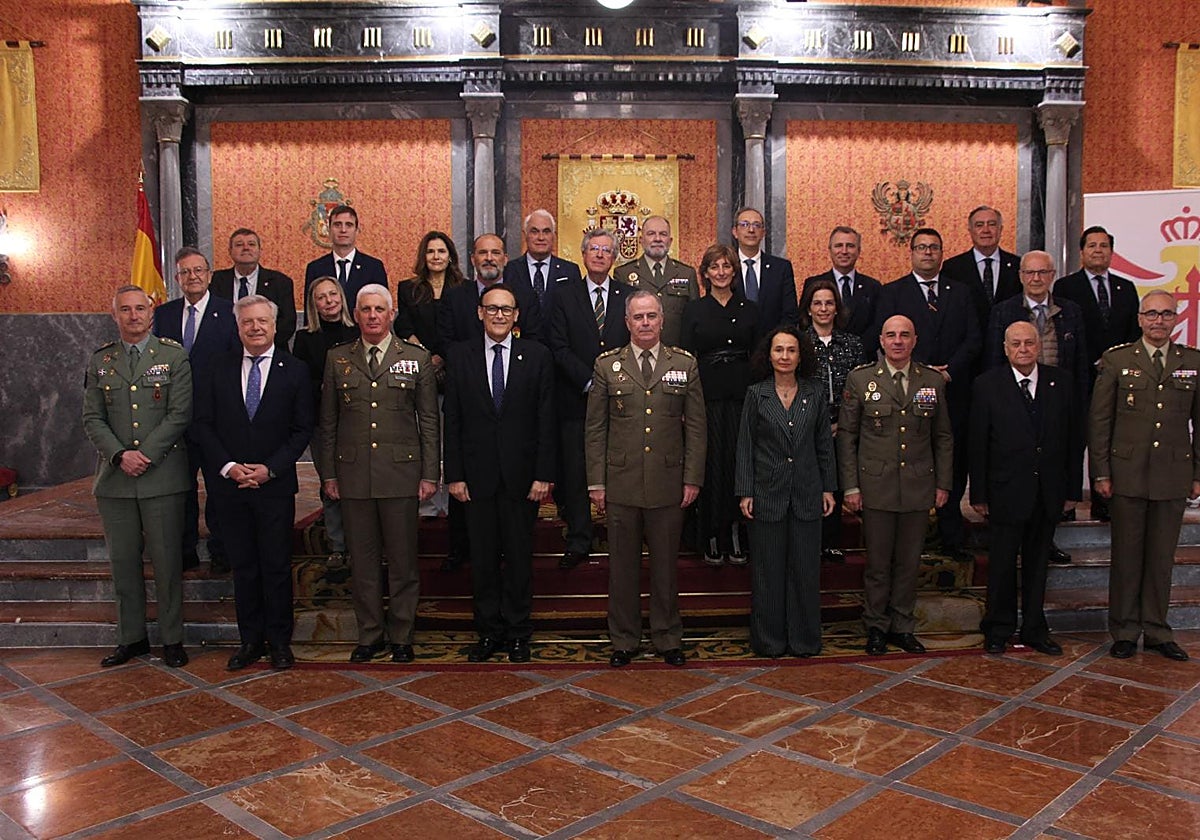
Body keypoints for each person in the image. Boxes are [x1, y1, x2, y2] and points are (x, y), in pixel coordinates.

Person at [317, 284, 440, 663]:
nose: (372, 316)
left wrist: (429, 474)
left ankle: (402, 633)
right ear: (356, 315)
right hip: (353, 475)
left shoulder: (415, 358)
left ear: (391, 315)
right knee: (364, 562)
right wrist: (328, 475)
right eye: (365, 309)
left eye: (379, 310)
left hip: (401, 474)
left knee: (403, 561)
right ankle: (370, 634)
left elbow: (430, 422)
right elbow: (328, 422)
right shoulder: (337, 358)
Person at [191, 295, 314, 670]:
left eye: (263, 321)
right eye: (248, 322)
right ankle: (250, 641)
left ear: (276, 326)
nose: (256, 327)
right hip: (230, 485)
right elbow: (202, 423)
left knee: (276, 565)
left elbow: (301, 429)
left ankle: (279, 642)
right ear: (238, 327)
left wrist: (269, 469)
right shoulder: (217, 368)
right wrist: (228, 466)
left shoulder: (295, 370)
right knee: (243, 566)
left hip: (274, 485)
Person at [586, 291, 706, 667]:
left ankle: (668, 637)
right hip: (620, 482)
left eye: (651, 316)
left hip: (669, 482)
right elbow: (595, 429)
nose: (645, 323)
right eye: (638, 317)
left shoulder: (684, 364)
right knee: (622, 567)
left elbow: (698, 428)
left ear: (662, 320)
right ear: (626, 322)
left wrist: (692, 479)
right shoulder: (607, 365)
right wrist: (596, 482)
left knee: (666, 567)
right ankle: (623, 639)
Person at [444, 284, 556, 663]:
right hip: (475, 480)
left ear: (517, 315)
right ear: (479, 313)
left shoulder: (537, 356)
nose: (499, 316)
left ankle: (520, 632)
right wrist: (454, 475)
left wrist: (544, 474)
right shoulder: (460, 356)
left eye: (506, 310)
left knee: (520, 559)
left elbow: (546, 420)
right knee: (484, 560)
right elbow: (453, 419)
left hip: (522, 479)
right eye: (492, 309)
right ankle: (489, 632)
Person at [83, 286, 192, 668]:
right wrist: (119, 455)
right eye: (125, 310)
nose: (133, 316)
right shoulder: (101, 361)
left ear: (152, 313)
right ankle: (131, 638)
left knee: (166, 563)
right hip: (115, 480)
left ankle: (173, 639)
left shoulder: (173, 356)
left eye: (140, 309)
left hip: (162, 477)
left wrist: (144, 454)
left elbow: (180, 414)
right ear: (114, 315)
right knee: (123, 564)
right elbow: (92, 417)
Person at [1090, 289, 1200, 662]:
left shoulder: (1191, 362)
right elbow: (1100, 421)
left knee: (1161, 558)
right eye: (1151, 314)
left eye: (1166, 314)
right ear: (1139, 319)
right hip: (1127, 474)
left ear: (1175, 319)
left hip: (1172, 474)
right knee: (1127, 555)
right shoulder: (1118, 360)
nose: (1158, 321)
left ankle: (1156, 629)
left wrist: (1197, 473)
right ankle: (1123, 629)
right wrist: (1101, 471)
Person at [838, 315, 953, 655]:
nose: (898, 341)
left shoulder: (932, 380)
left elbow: (943, 437)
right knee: (877, 564)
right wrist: (851, 487)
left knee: (908, 562)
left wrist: (943, 483)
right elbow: (847, 438)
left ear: (915, 340)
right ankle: (875, 626)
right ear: (882, 340)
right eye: (891, 335)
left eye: (904, 335)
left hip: (918, 486)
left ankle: (902, 625)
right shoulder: (861, 380)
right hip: (876, 487)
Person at [871, 228, 980, 563]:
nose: (928, 253)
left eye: (934, 247)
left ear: (942, 253)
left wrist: (948, 373)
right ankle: (910, 534)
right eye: (921, 247)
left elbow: (974, 338)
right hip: (906, 389)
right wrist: (921, 375)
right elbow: (887, 339)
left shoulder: (961, 292)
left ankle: (950, 534)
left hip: (953, 388)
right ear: (912, 253)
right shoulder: (893, 292)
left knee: (951, 457)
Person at [970, 321, 1078, 656]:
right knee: (1001, 565)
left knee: (1037, 565)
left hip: (1048, 491)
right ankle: (998, 628)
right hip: (1005, 491)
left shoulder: (1062, 382)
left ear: (1038, 346)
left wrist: (1071, 491)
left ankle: (1034, 628)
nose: (1023, 349)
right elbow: (978, 444)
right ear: (1005, 348)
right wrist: (980, 495)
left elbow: (1075, 441)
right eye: (1015, 343)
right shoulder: (987, 385)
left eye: (1029, 343)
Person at [736, 326, 837, 657]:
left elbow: (824, 444)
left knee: (805, 570)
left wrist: (828, 488)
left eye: (791, 350)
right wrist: (745, 491)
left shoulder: (815, 392)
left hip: (808, 493)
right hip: (767, 494)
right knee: (767, 572)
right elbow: (745, 447)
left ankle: (805, 640)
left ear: (800, 355)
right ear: (769, 355)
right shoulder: (756, 394)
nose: (784, 356)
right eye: (778, 350)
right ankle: (769, 641)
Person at [985, 249, 1089, 564]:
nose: (1036, 279)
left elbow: (1081, 364)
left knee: (1051, 473)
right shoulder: (1004, 311)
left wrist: (1080, 406)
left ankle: (1048, 539)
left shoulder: (1071, 312)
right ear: (1020, 276)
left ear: (1052, 275)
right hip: (1014, 404)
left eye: (1043, 272)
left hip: (1057, 402)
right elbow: (992, 360)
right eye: (1030, 273)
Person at [548, 228, 632, 570]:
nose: (599, 255)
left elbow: (632, 345)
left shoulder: (628, 295)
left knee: (619, 469)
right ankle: (580, 538)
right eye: (594, 249)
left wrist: (611, 385)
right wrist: (589, 381)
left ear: (614, 258)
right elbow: (558, 345)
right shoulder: (563, 294)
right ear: (583, 255)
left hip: (620, 400)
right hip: (574, 399)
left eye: (606, 250)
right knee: (577, 471)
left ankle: (622, 538)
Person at [153, 246, 239, 573]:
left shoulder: (229, 312)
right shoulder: (163, 315)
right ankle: (184, 549)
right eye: (185, 272)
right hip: (174, 419)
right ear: (177, 278)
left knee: (219, 488)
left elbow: (235, 365)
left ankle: (221, 551)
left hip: (216, 418)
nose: (192, 277)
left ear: (209, 275)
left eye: (198, 271)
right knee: (180, 487)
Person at [1054, 225, 1141, 523]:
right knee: (1075, 440)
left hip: (1118, 377)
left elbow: (1133, 333)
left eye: (1104, 245)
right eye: (1092, 245)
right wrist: (1091, 362)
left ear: (1111, 252)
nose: (1098, 250)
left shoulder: (1126, 288)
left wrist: (1118, 363)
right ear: (1081, 252)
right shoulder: (1066, 287)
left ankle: (1104, 501)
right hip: (1080, 376)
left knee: (1111, 441)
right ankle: (1068, 501)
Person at [679, 243, 758, 565]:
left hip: (743, 396)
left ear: (734, 272)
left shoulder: (750, 308)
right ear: (705, 273)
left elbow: (760, 355)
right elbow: (685, 357)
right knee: (710, 464)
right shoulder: (695, 309)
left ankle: (737, 531)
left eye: (727, 266)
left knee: (739, 462)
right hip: (706, 398)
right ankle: (711, 532)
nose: (721, 272)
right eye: (715, 267)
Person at [394, 230, 467, 566]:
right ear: (423, 256)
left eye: (442, 251)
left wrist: (442, 357)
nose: (436, 257)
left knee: (451, 437)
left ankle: (450, 500)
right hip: (419, 369)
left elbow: (462, 330)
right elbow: (404, 326)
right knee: (424, 437)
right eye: (431, 252)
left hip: (453, 371)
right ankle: (428, 503)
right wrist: (425, 358)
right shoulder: (409, 289)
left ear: (450, 255)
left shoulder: (462, 289)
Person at [292, 277, 359, 563]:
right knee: (330, 483)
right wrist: (327, 384)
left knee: (358, 485)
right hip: (323, 422)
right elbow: (300, 381)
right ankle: (337, 545)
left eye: (333, 294)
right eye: (322, 297)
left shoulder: (357, 331)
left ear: (342, 298)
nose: (329, 301)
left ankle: (361, 543)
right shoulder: (306, 338)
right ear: (313, 304)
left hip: (357, 421)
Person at [799, 277, 866, 562]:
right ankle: (811, 540)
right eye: (818, 303)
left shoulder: (852, 344)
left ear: (837, 308)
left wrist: (843, 423)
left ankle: (832, 541)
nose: (824, 309)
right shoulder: (799, 342)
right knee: (811, 483)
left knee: (837, 483)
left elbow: (860, 387)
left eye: (829, 303)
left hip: (844, 426)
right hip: (809, 425)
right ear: (809, 309)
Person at [440, 233, 542, 349]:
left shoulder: (526, 297)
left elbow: (533, 344)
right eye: (483, 253)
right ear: (473, 259)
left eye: (495, 253)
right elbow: (446, 343)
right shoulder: (454, 297)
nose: (489, 258)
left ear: (505, 259)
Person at [614, 216, 699, 347]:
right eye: (651, 234)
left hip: (676, 355)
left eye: (663, 234)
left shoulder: (686, 273)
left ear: (670, 241)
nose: (657, 239)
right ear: (641, 240)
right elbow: (620, 321)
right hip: (637, 354)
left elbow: (694, 319)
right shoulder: (624, 273)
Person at [210, 227, 297, 350]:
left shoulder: (280, 282)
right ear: (230, 251)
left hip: (269, 353)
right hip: (225, 352)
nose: (246, 248)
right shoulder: (215, 281)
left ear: (260, 250)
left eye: (251, 244)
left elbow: (287, 324)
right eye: (239, 244)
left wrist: (259, 346)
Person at [941, 206, 1021, 333]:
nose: (986, 230)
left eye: (992, 224)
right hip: (969, 345)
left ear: (1001, 229)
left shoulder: (1018, 265)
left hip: (1009, 344)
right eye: (979, 225)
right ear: (970, 231)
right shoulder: (953, 268)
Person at [802, 226, 882, 341]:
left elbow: (877, 326)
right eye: (838, 246)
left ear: (859, 250)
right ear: (830, 250)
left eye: (850, 246)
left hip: (864, 355)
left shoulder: (873, 287)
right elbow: (804, 322)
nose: (844, 251)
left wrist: (855, 350)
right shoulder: (813, 284)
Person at [304, 204, 388, 307]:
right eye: (337, 225)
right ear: (329, 230)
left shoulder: (373, 267)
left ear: (357, 231)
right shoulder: (315, 268)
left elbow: (382, 308)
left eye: (349, 225)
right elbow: (310, 310)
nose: (343, 230)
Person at [731, 207, 798, 334]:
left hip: (772, 346)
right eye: (745, 224)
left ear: (763, 233)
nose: (751, 230)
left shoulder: (781, 268)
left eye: (757, 225)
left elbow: (790, 314)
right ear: (735, 232)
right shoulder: (725, 267)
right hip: (734, 347)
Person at [502, 209, 581, 313]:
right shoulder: (510, 270)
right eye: (534, 232)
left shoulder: (570, 271)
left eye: (546, 232)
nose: (541, 237)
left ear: (554, 235)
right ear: (525, 234)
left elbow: (576, 310)